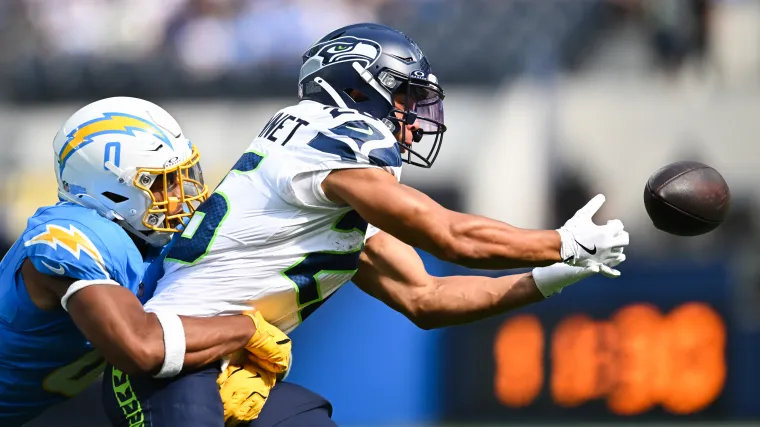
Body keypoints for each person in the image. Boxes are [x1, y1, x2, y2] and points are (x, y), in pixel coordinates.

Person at [102, 23, 628, 427]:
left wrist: (547, 278)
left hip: (218, 368)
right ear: (356, 89)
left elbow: (425, 298)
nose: (412, 115)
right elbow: (446, 234)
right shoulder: (330, 137)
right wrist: (558, 242)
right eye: (403, 97)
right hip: (163, 364)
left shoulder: (330, 199)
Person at [0, 97, 290, 427]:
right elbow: (141, 347)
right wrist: (246, 329)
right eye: (163, 183)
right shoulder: (67, 237)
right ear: (110, 192)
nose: (182, 194)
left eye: (183, 176)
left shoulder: (149, 238)